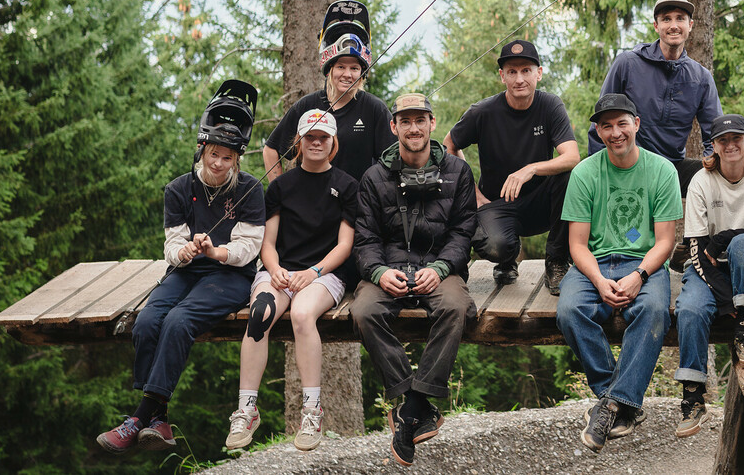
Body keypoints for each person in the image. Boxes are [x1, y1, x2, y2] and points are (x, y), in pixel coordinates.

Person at [97, 81, 266, 454]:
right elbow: (171, 244)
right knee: (146, 322)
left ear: (238, 159)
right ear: (202, 149)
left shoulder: (251, 190)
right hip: (187, 271)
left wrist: (216, 251)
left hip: (230, 276)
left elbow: (249, 247)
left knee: (179, 321)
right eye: (214, 154)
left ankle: (140, 416)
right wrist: (186, 251)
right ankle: (160, 419)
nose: (219, 163)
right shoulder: (178, 189)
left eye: (228, 157)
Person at [352, 93, 478, 467]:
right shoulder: (374, 177)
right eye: (405, 121)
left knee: (456, 307)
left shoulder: (457, 171)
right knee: (363, 311)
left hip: (440, 268)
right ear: (394, 127)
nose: (413, 128)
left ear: (432, 123)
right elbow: (366, 237)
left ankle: (411, 408)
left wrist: (440, 268)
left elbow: (463, 231)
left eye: (419, 120)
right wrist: (378, 272)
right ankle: (413, 398)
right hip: (390, 267)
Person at [226, 109, 359, 452]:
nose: (316, 143)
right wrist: (274, 270)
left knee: (302, 314)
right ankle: (246, 409)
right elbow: (267, 244)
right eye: (309, 137)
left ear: (333, 143)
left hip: (324, 274)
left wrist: (313, 272)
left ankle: (312, 411)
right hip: (281, 271)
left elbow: (345, 245)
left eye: (323, 138)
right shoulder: (281, 186)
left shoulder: (346, 185)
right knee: (260, 313)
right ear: (298, 143)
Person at [557, 93, 680, 452]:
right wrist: (597, 279)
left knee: (654, 310)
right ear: (598, 131)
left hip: (644, 263)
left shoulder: (661, 171)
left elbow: (665, 242)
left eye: (622, 123)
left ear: (636, 124)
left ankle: (608, 406)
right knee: (569, 311)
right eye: (606, 126)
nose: (615, 132)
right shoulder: (584, 173)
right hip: (594, 262)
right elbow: (577, 244)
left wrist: (639, 275)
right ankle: (619, 401)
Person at [445, 39, 579, 294]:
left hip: (541, 203)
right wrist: (474, 195)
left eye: (526, 70)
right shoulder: (483, 112)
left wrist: (530, 169)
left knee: (569, 175)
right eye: (512, 72)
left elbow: (572, 156)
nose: (519, 79)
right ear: (502, 76)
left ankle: (557, 261)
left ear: (538, 73)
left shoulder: (550, 105)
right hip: (497, 205)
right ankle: (507, 260)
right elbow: (449, 146)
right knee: (496, 245)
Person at [673, 113, 744, 439]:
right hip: (705, 267)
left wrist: (726, 237)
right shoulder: (702, 180)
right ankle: (693, 397)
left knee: (740, 244)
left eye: (737, 138)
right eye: (723, 140)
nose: (731, 145)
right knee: (690, 309)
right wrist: (726, 299)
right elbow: (696, 250)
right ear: (713, 146)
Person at [588, 0, 722, 194]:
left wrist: (714, 162)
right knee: (633, 223)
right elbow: (601, 120)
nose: (673, 25)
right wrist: (601, 174)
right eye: (666, 19)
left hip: (672, 168)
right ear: (656, 26)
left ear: (690, 25)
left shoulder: (701, 77)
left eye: (680, 18)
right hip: (628, 166)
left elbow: (715, 133)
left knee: (721, 174)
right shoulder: (628, 63)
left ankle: (710, 227)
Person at [263, 0, 394, 183]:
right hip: (310, 205)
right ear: (329, 68)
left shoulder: (374, 109)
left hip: (357, 207)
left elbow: (394, 159)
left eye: (355, 68)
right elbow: (271, 149)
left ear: (362, 73)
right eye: (341, 67)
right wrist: (281, 194)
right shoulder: (307, 105)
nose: (347, 74)